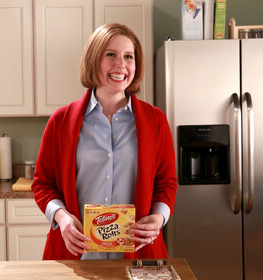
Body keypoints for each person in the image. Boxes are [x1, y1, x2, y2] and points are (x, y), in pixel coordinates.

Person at [31, 23, 177, 260]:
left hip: (138, 254)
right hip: (76, 255)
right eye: (111, 54)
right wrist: (61, 217)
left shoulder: (156, 121)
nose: (121, 65)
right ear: (93, 60)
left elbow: (166, 183)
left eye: (128, 57)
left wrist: (159, 217)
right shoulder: (60, 121)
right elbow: (42, 184)